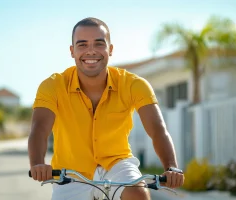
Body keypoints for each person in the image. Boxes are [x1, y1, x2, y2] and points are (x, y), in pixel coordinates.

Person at [28, 17, 184, 200]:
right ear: (72, 51)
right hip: (70, 172)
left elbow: (157, 129)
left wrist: (171, 167)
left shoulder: (134, 84)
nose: (91, 51)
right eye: (82, 45)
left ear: (110, 49)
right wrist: (37, 164)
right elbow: (39, 128)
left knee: (137, 193)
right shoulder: (52, 86)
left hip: (118, 165)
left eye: (99, 44)